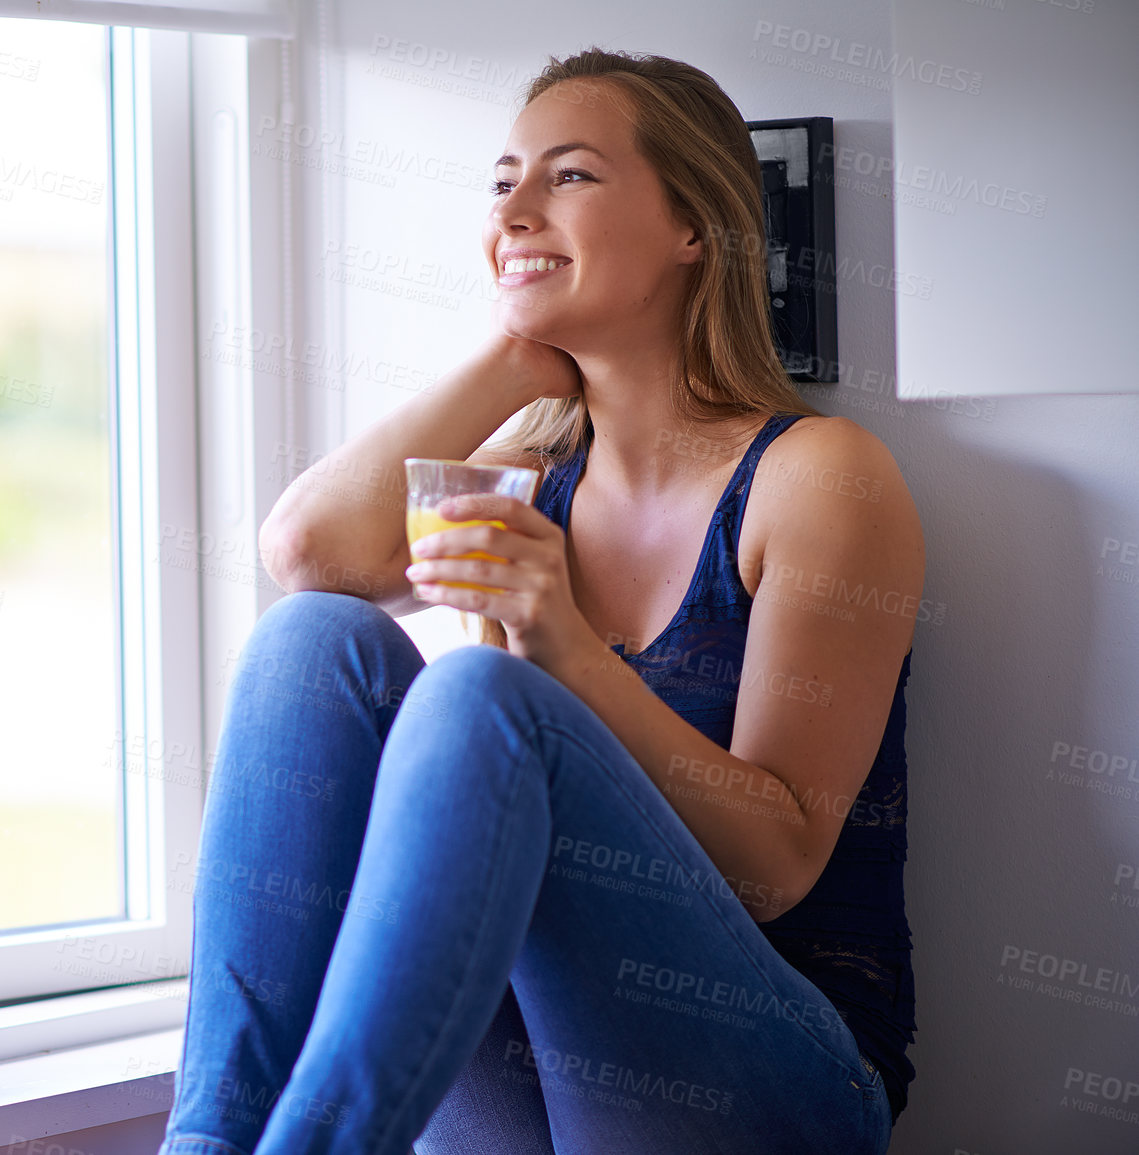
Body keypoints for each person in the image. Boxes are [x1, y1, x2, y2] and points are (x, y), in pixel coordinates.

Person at [157, 46, 921, 1155]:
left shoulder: (819, 478)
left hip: (775, 1074)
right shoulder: (532, 473)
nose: (514, 206)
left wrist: (560, 645)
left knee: (480, 698)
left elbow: (780, 867)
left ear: (693, 227)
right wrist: (516, 360)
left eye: (568, 176)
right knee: (313, 642)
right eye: (502, 180)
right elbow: (308, 554)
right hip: (531, 1054)